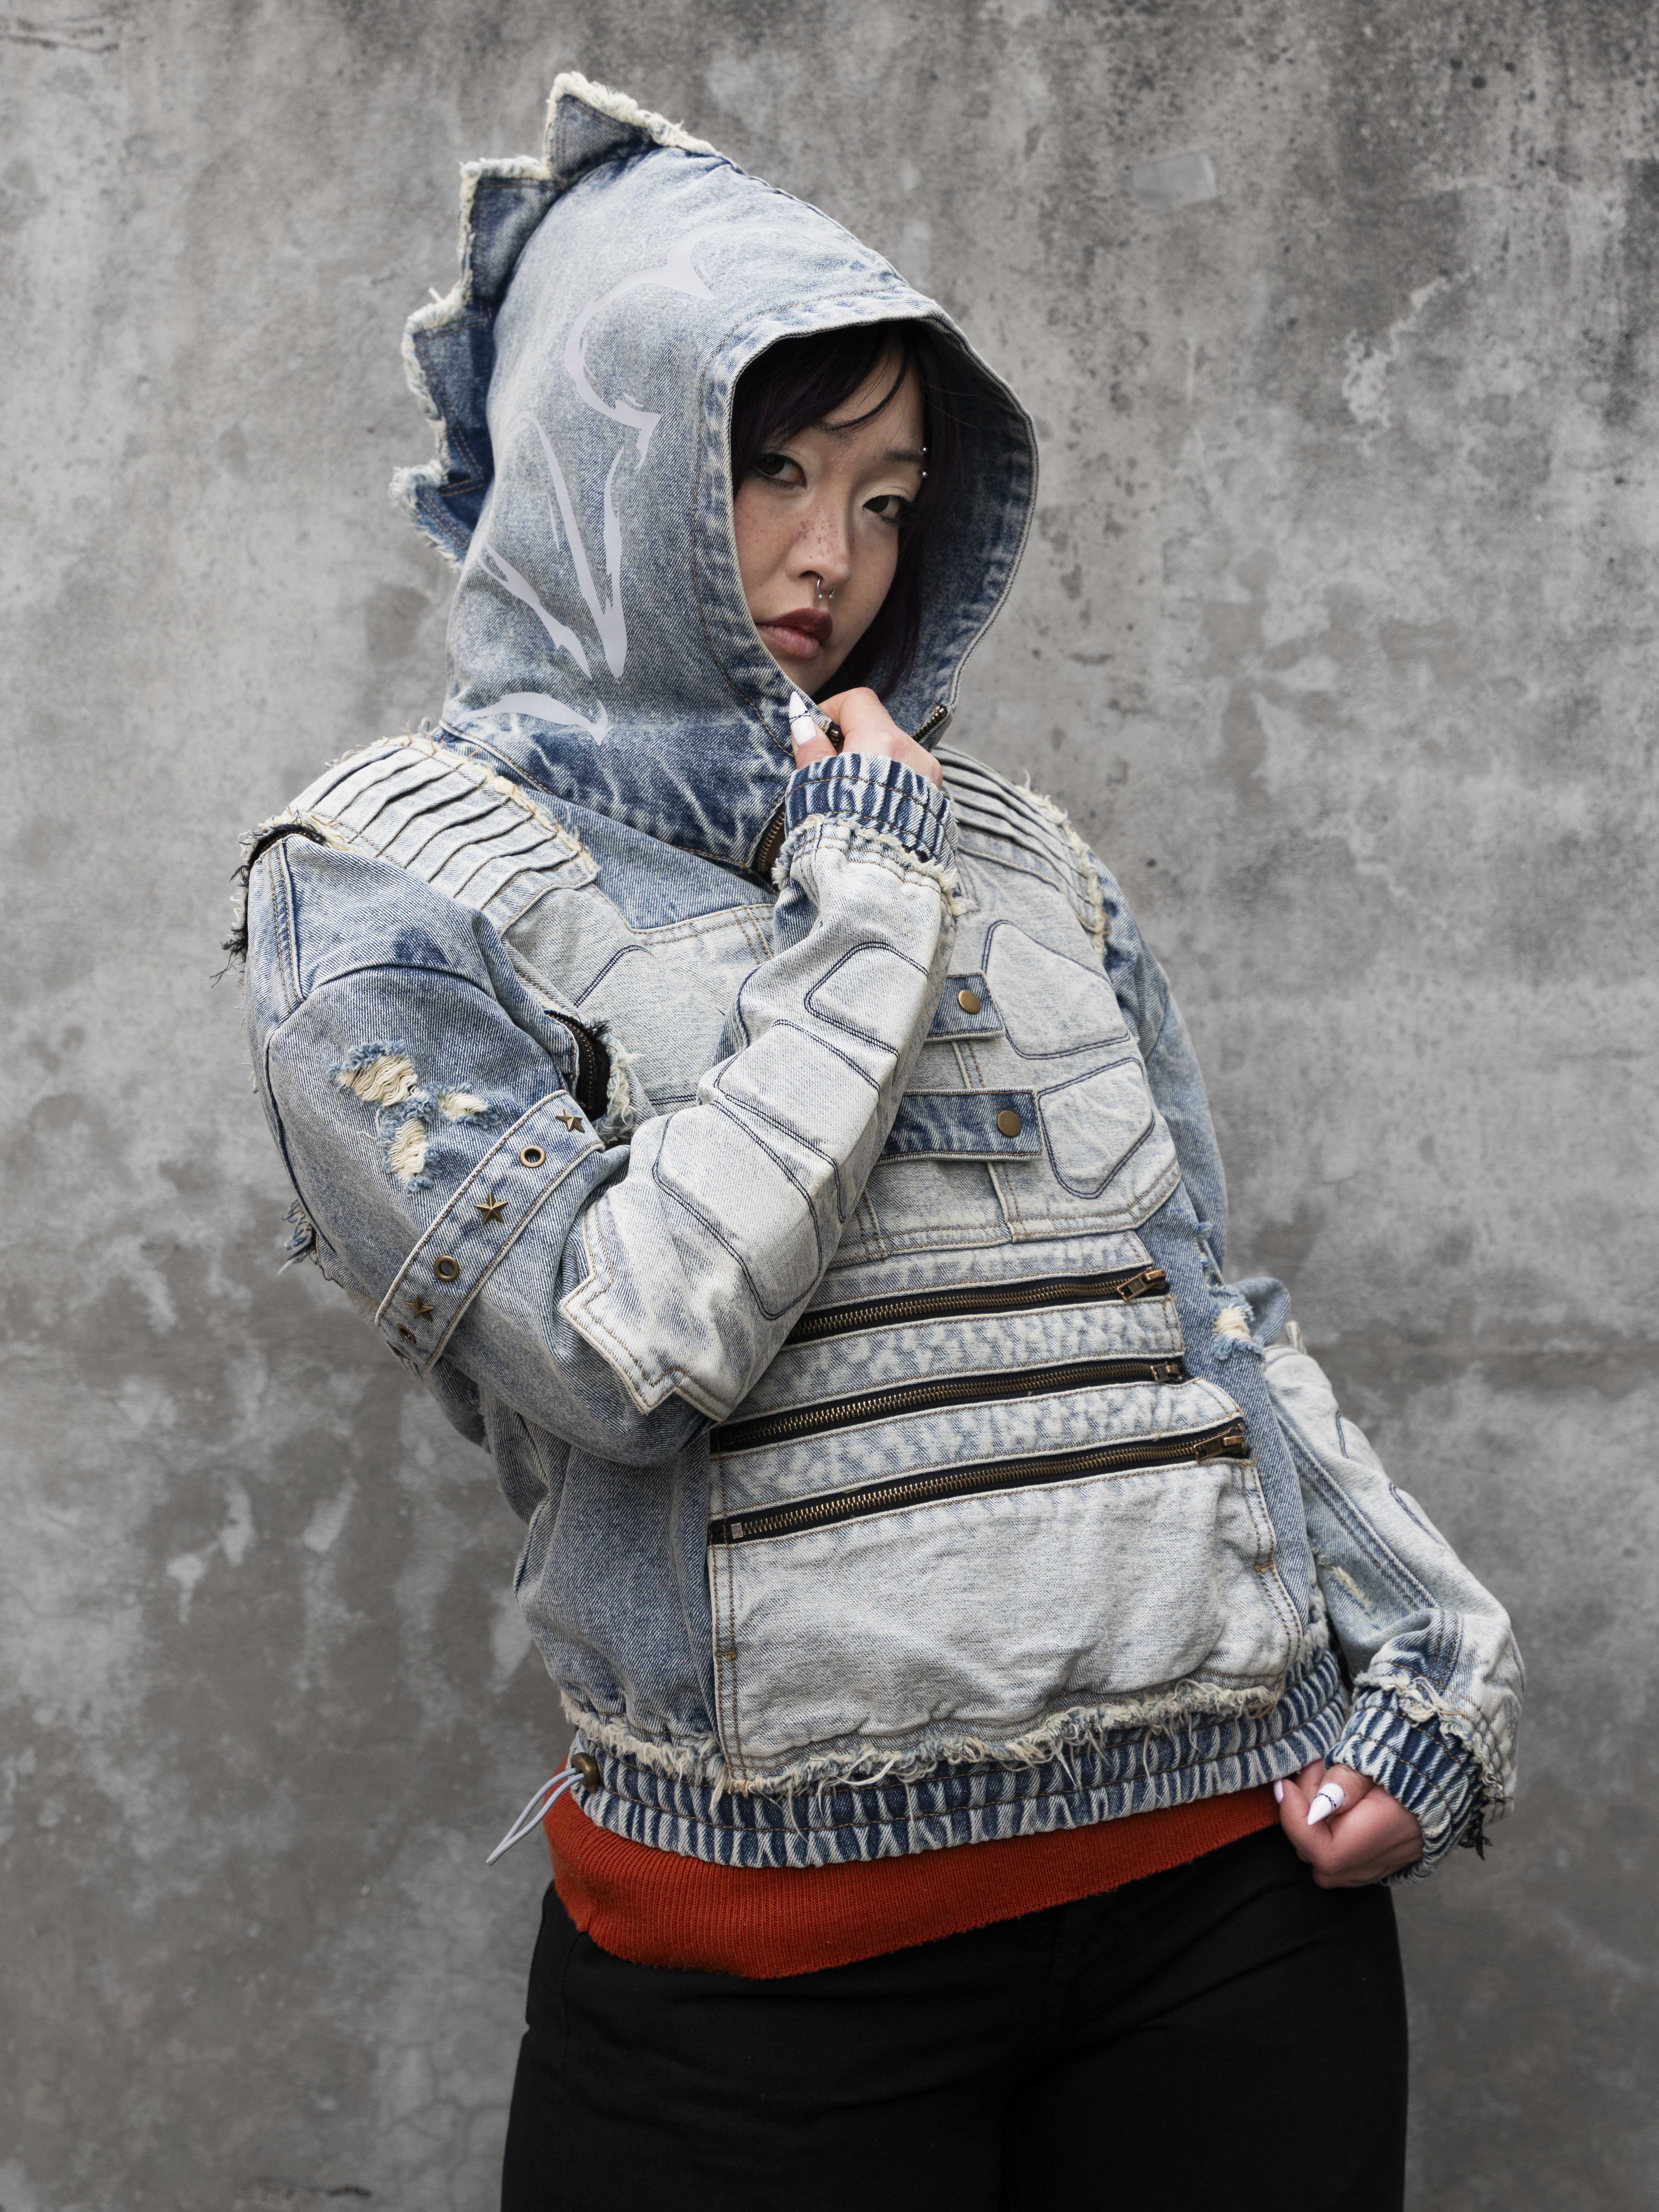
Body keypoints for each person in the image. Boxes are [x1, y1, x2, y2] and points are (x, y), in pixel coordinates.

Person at [234, 73, 1523, 2210]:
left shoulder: (1016, 844)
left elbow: (1198, 1316)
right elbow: (624, 1353)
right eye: (768, 470)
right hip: (765, 1978)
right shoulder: (388, 883)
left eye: (890, 495)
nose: (830, 557)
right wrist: (858, 901)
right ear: (605, 461)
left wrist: (1435, 1660)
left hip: (1236, 1911)